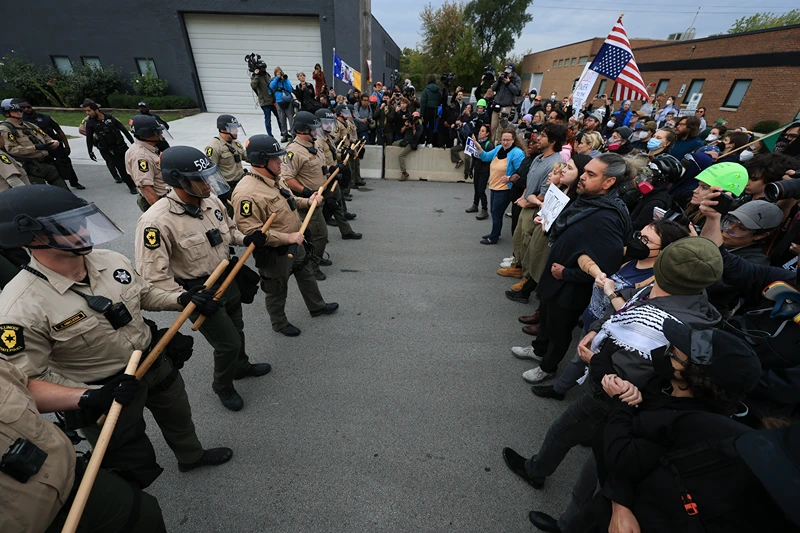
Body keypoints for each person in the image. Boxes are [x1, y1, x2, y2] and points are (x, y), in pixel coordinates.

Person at [0, 185, 232, 480]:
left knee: (178, 415)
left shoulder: (111, 260)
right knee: (128, 462)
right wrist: (85, 397)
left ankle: (191, 456)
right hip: (103, 391)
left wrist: (181, 299)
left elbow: (144, 293)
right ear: (30, 238)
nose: (82, 230)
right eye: (67, 225)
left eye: (81, 219)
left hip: (154, 363)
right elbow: (25, 381)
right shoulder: (18, 308)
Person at [507, 237, 724, 533]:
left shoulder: (675, 321)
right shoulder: (679, 294)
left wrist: (595, 359)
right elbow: (624, 309)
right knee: (596, 470)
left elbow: (626, 373)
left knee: (569, 437)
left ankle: (537, 473)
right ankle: (569, 523)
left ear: (661, 266)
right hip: (625, 399)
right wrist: (597, 329)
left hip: (613, 398)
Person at [588, 321, 793, 533]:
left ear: (692, 375)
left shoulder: (691, 427)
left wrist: (623, 403)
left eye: (671, 351)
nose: (662, 352)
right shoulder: (665, 385)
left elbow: (622, 458)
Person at [135, 146, 272, 411]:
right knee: (227, 343)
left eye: (208, 175)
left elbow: (229, 232)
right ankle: (223, 385)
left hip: (227, 277)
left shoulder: (210, 200)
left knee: (238, 327)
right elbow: (152, 277)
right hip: (198, 292)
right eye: (199, 178)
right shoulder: (155, 221)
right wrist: (185, 300)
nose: (208, 183)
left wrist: (247, 238)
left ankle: (241, 366)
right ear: (179, 181)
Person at [0, 357, 168, 533]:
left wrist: (88, 396)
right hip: (31, 524)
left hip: (74, 476)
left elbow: (21, 385)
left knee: (145, 517)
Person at [528, 219, 690, 401]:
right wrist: (596, 272)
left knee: (584, 362)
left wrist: (611, 293)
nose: (638, 242)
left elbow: (635, 315)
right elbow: (583, 256)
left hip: (612, 332)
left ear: (666, 250)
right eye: (639, 235)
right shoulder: (629, 258)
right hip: (593, 320)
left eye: (646, 241)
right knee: (580, 357)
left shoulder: (655, 281)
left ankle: (560, 391)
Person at [523, 153, 632, 383]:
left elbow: (607, 267)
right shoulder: (588, 202)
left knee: (559, 332)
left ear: (609, 182)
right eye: (584, 171)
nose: (582, 177)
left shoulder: (607, 217)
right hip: (555, 279)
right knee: (546, 321)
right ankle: (538, 350)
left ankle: (548, 366)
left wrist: (566, 273)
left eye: (590, 174)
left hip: (570, 288)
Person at [232, 134, 338, 337]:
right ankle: (279, 323)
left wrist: (307, 201)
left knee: (305, 273)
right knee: (276, 289)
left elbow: (289, 201)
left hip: (295, 241)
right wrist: (286, 238)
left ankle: (316, 306)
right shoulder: (247, 192)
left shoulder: (275, 178)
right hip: (275, 252)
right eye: (275, 158)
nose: (280, 162)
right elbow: (251, 232)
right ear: (261, 161)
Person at [502, 123, 566, 278]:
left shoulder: (553, 163)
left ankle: (525, 278)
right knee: (519, 240)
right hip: (526, 206)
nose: (538, 138)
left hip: (534, 211)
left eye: (543, 136)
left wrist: (527, 202)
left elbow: (546, 194)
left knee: (528, 244)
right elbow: (529, 182)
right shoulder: (538, 158)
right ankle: (517, 266)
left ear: (553, 141)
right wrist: (523, 196)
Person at [282, 112, 329, 280]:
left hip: (318, 196)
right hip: (308, 201)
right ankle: (312, 267)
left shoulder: (314, 144)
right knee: (320, 235)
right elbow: (287, 178)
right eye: (313, 129)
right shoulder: (294, 151)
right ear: (303, 130)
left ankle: (314, 258)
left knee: (314, 234)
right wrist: (305, 191)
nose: (317, 132)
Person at [472, 127, 527, 244]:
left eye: (508, 140)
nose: (505, 142)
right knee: (494, 212)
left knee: (496, 213)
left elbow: (520, 172)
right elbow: (486, 157)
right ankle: (495, 233)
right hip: (494, 186)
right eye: (503, 140)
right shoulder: (498, 149)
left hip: (505, 189)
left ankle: (493, 237)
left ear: (514, 140)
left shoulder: (517, 153)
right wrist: (478, 146)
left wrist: (510, 178)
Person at [314, 107, 362, 239]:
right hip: (324, 180)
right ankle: (318, 235)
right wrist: (331, 168)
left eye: (331, 122)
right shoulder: (317, 141)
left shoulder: (328, 138)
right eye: (326, 122)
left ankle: (346, 232)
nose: (329, 125)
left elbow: (334, 154)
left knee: (338, 205)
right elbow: (319, 163)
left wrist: (345, 154)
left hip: (333, 177)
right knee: (322, 209)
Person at [0, 98, 67, 189]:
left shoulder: (30, 125)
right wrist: (34, 147)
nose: (20, 112)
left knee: (63, 189)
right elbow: (12, 149)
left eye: (20, 110)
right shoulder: (6, 129)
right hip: (31, 168)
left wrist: (53, 142)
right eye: (15, 111)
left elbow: (45, 137)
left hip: (46, 163)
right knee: (41, 195)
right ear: (6, 113)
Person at [20, 100, 84, 189]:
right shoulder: (23, 122)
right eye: (24, 108)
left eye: (28, 107)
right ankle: (58, 186)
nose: (27, 109)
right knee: (50, 166)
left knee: (65, 163)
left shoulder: (45, 117)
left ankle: (74, 182)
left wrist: (67, 146)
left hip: (55, 144)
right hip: (41, 147)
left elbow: (59, 131)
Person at [82, 99, 137, 192]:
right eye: (86, 111)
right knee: (121, 168)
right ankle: (131, 187)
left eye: (89, 110)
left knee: (131, 164)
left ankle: (137, 181)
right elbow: (89, 138)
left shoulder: (110, 118)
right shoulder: (90, 123)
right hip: (111, 150)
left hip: (122, 146)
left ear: (96, 110)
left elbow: (123, 130)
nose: (87, 113)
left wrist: (133, 143)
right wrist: (90, 151)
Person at [627, 154, 683, 231]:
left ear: (662, 179)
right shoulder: (649, 193)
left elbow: (635, 227)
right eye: (646, 171)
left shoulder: (656, 203)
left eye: (650, 174)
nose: (646, 176)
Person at [204, 114, 248, 209]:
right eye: (234, 128)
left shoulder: (236, 144)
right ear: (224, 129)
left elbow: (247, 157)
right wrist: (219, 191)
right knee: (231, 212)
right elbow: (209, 172)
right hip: (227, 187)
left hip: (241, 183)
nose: (237, 130)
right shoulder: (214, 147)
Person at [126, 115, 169, 209]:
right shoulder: (141, 157)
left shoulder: (150, 148)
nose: (161, 132)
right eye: (157, 131)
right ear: (145, 134)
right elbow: (145, 187)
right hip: (161, 201)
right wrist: (162, 212)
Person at [466, 124, 494, 219]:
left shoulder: (489, 145)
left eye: (482, 131)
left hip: (484, 170)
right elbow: (474, 157)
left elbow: (489, 158)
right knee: (476, 188)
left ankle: (484, 209)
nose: (480, 133)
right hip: (477, 169)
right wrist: (471, 169)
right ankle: (475, 205)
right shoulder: (477, 143)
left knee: (481, 190)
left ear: (487, 134)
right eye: (480, 131)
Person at [392, 111, 423, 181]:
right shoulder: (409, 123)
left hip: (411, 142)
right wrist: (406, 126)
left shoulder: (420, 126)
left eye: (416, 119)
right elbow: (401, 131)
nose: (415, 120)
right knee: (393, 144)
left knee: (400, 155)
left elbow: (416, 136)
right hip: (405, 140)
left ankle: (404, 172)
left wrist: (413, 127)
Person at [250, 58, 275, 136]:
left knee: (279, 118)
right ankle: (270, 135)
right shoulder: (255, 76)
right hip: (264, 102)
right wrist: (256, 75)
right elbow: (253, 85)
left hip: (273, 100)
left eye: (264, 68)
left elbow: (271, 84)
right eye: (261, 68)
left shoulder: (267, 74)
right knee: (268, 120)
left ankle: (283, 133)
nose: (263, 69)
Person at [270, 66, 295, 142]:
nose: (279, 74)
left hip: (287, 101)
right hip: (279, 102)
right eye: (278, 73)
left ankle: (293, 134)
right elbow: (271, 86)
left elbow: (290, 89)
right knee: (282, 119)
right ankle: (284, 135)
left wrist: (285, 80)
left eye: (280, 72)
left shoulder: (285, 80)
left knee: (291, 119)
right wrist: (277, 78)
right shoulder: (274, 80)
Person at [418, 75, 442, 147]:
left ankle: (422, 142)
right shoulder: (438, 90)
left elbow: (423, 103)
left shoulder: (426, 90)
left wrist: (421, 114)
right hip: (434, 110)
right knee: (432, 127)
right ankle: (430, 142)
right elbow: (439, 101)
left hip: (426, 109)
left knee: (424, 126)